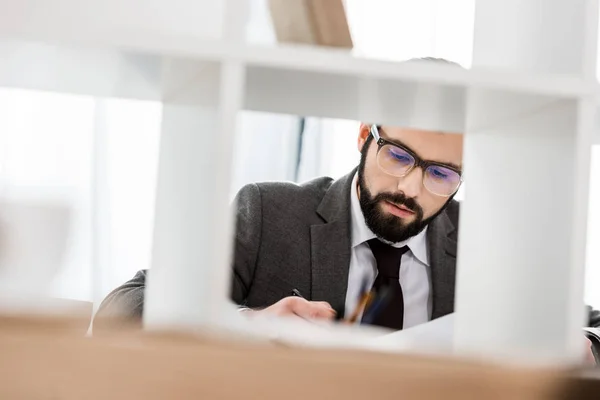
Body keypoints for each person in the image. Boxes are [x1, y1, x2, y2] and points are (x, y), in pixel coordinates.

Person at [94, 122, 599, 361]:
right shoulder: (269, 213)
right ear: (364, 135)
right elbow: (122, 308)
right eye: (398, 156)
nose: (410, 188)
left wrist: (581, 348)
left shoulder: (488, 246)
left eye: (441, 174)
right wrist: (245, 324)